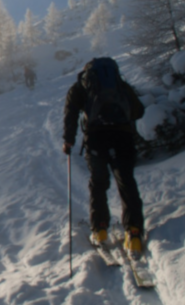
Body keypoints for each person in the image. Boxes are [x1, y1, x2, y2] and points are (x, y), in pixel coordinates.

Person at [62, 57, 146, 256]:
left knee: (98, 183)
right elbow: (138, 110)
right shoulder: (120, 85)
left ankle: (99, 230)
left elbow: (70, 113)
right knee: (126, 182)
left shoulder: (79, 88)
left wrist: (68, 140)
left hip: (96, 139)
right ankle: (134, 234)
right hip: (122, 138)